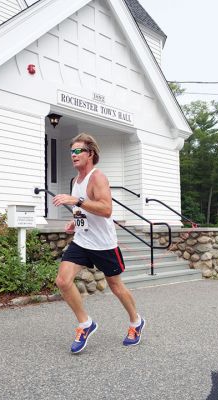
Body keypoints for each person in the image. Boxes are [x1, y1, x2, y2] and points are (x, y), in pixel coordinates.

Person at [53, 133, 145, 354]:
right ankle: (85, 324)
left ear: (90, 153)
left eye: (78, 151)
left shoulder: (98, 177)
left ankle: (136, 322)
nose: (73, 155)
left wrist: (76, 200)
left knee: (116, 287)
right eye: (71, 151)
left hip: (104, 244)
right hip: (82, 241)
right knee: (63, 281)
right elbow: (83, 209)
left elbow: (106, 209)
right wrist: (74, 221)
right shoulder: (76, 180)